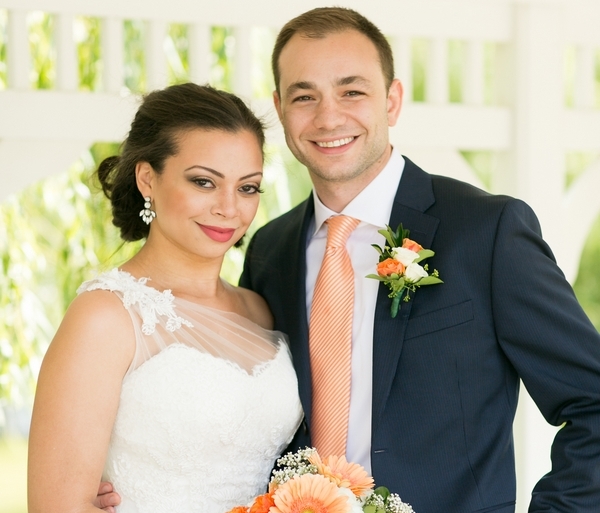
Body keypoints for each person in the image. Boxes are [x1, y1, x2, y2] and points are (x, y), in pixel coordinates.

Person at [95, 7, 600, 513]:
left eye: (351, 91)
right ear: (280, 109)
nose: (328, 117)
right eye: (304, 96)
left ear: (392, 100)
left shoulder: (486, 232)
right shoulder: (269, 250)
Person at [27, 82, 303, 513]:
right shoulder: (106, 316)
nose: (229, 207)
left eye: (247, 187)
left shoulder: (258, 310)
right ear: (147, 179)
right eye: (204, 182)